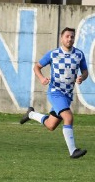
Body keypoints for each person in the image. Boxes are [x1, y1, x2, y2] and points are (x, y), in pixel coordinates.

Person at [20, 27, 88, 159]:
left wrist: (82, 77)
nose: (70, 39)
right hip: (55, 92)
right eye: (67, 36)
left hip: (67, 95)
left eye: (72, 37)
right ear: (61, 38)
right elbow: (37, 66)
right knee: (68, 117)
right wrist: (41, 78)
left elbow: (85, 72)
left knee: (51, 125)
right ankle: (73, 151)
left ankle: (31, 114)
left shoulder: (79, 54)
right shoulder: (53, 54)